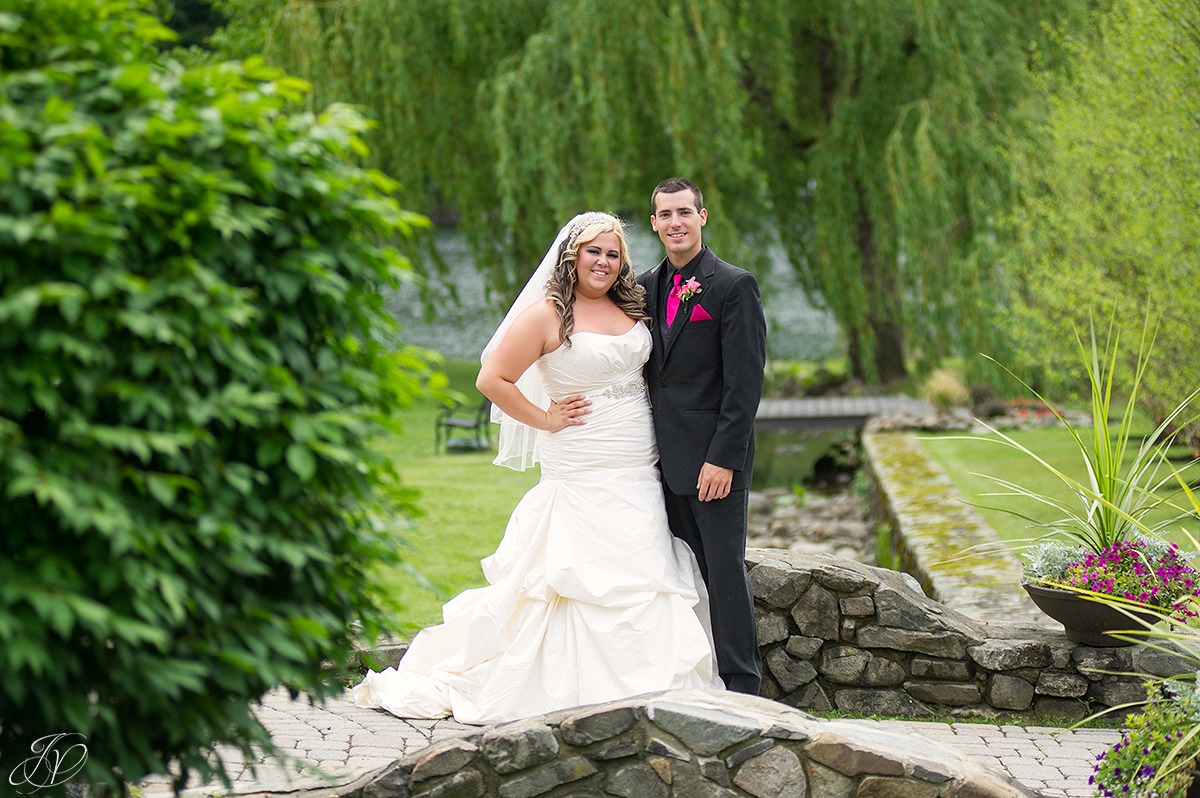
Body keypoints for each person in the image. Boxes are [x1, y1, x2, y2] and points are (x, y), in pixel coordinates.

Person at [351, 212, 720, 725]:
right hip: (580, 460)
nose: (604, 262)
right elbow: (492, 378)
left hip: (638, 462)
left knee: (642, 568)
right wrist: (545, 418)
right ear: (573, 256)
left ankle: (652, 681)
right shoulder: (548, 314)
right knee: (574, 573)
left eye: (613, 254)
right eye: (594, 251)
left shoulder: (630, 305)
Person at [637, 178, 767, 695]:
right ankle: (688, 675)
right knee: (675, 573)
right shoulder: (645, 287)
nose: (675, 223)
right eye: (665, 214)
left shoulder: (733, 286)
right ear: (654, 223)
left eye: (684, 212)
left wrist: (723, 460)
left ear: (702, 217)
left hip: (714, 463)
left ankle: (742, 684)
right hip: (658, 462)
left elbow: (744, 385)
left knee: (723, 571)